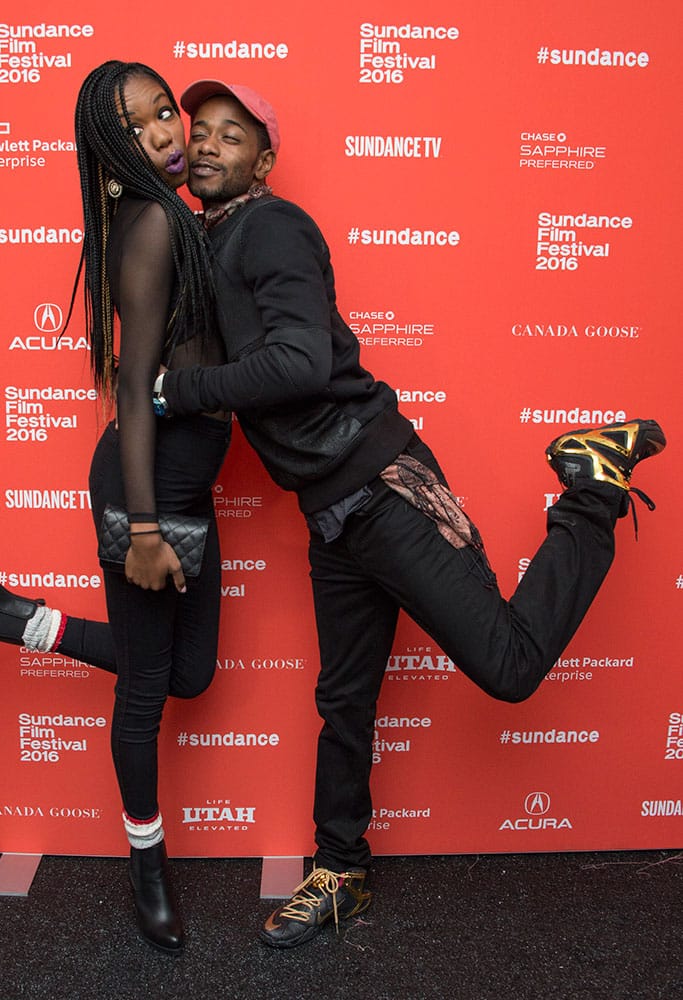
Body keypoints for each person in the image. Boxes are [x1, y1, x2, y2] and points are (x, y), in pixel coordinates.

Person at [147, 79, 666, 949]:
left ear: (263, 162)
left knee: (505, 665)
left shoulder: (271, 226)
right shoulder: (212, 238)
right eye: (198, 133)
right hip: (330, 512)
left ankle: (591, 488)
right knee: (344, 700)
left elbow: (303, 360)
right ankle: (341, 871)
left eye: (231, 137)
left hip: (383, 488)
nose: (206, 146)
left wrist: (177, 391)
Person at [0, 61, 231, 954]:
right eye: (141, 124)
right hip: (150, 492)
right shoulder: (156, 222)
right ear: (109, 144)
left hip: (183, 485)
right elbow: (131, 389)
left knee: (188, 673)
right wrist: (146, 526)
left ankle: (3, 614)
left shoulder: (169, 215)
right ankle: (147, 868)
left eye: (168, 112)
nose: (167, 132)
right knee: (148, 689)